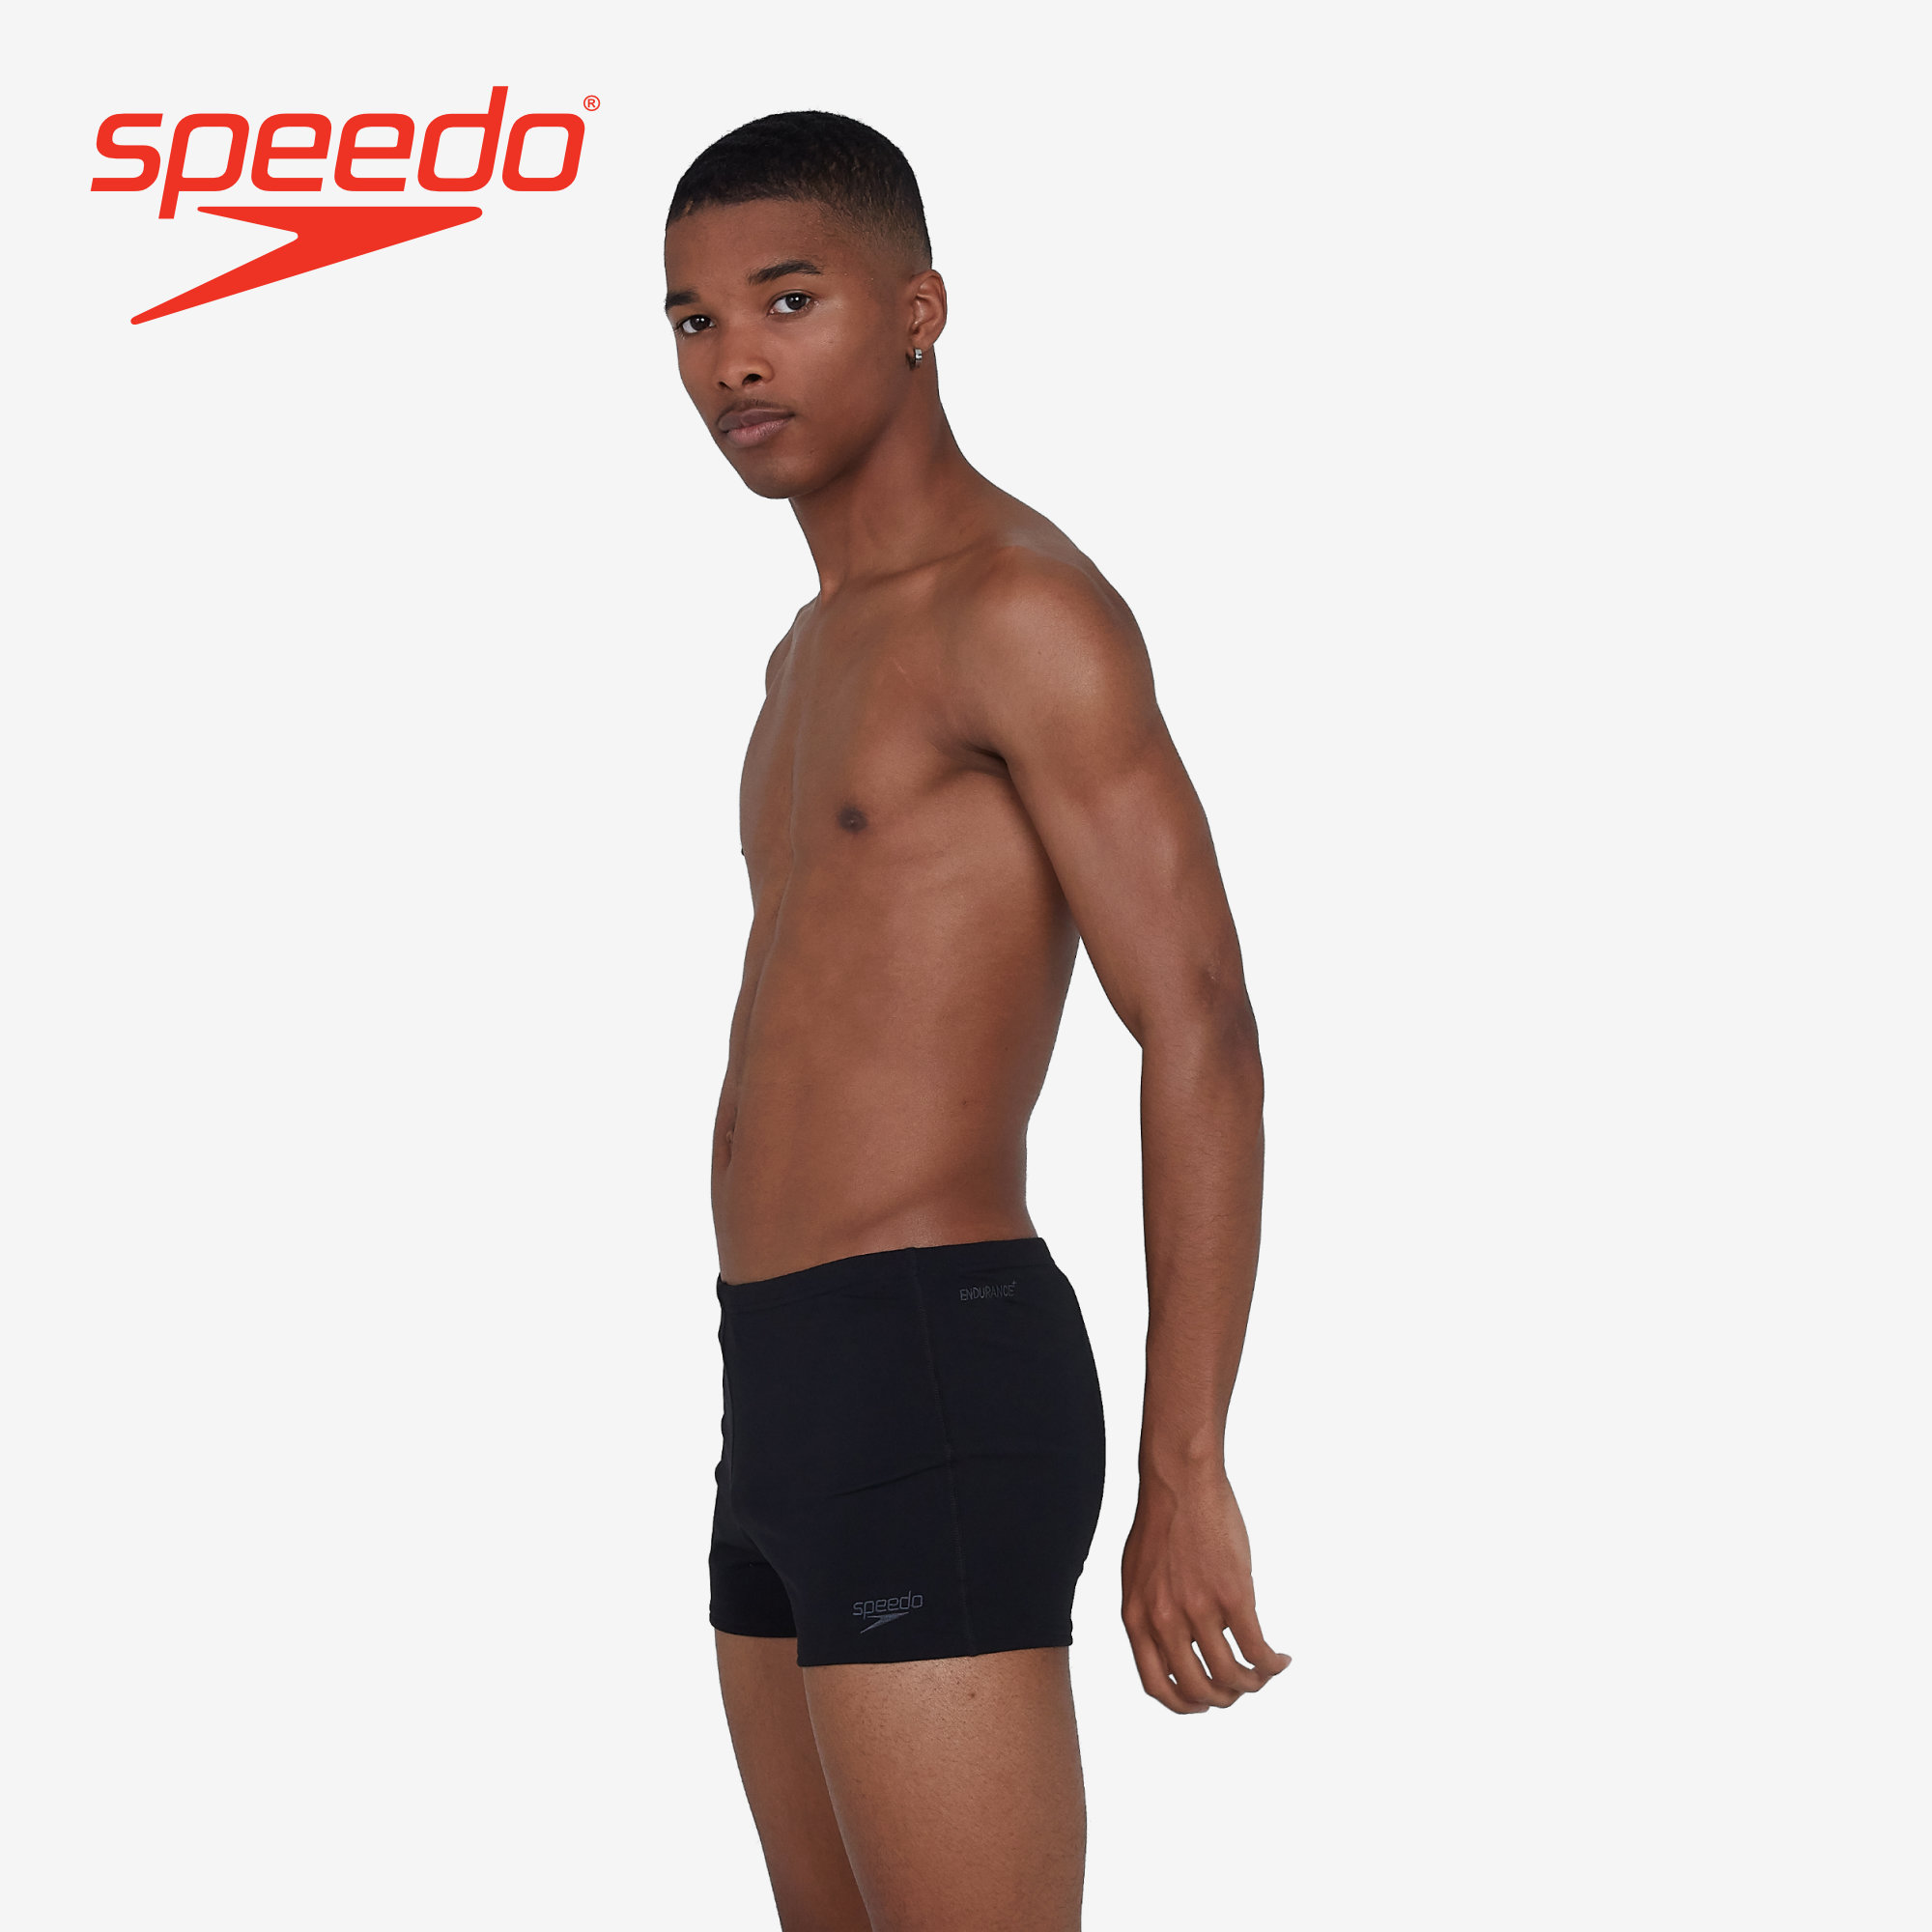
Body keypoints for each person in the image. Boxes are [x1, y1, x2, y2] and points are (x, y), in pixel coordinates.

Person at [664, 111, 1288, 1932]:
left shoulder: (1021, 609)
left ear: (921, 310)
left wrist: (1187, 1464)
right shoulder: (807, 654)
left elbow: (1202, 1025)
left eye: (789, 300)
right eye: (694, 320)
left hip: (934, 1355)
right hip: (778, 1369)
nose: (735, 359)